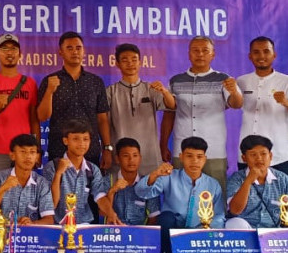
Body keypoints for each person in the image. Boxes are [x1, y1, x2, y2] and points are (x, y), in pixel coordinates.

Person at [135, 137, 225, 253]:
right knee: (165, 218)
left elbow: (219, 215)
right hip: (172, 230)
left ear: (205, 159)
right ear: (181, 157)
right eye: (189, 156)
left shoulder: (213, 184)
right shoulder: (169, 177)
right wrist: (155, 174)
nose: (194, 161)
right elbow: (142, 192)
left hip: (198, 235)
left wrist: (207, 229)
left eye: (199, 157)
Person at [160, 36, 242, 193]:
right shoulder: (176, 80)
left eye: (205, 50)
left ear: (213, 54)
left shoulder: (223, 79)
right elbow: (169, 114)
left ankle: (216, 219)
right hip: (182, 148)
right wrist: (163, 144)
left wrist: (234, 91)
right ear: (189, 53)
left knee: (216, 195)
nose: (200, 54)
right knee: (181, 194)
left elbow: (236, 104)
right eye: (195, 50)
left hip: (213, 149)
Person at [38, 31, 112, 170]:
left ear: (84, 51)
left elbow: (102, 118)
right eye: (69, 48)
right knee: (59, 191)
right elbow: (42, 116)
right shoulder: (50, 81)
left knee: (91, 191)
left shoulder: (95, 82)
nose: (75, 52)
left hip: (90, 151)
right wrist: (49, 91)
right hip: (60, 150)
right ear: (61, 52)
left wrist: (107, 148)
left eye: (78, 48)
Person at [106, 43, 175, 176]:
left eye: (134, 59)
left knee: (150, 194)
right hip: (121, 158)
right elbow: (104, 123)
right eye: (125, 60)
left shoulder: (151, 89)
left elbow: (171, 106)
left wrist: (165, 92)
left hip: (150, 157)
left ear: (140, 62)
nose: (130, 63)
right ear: (118, 64)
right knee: (121, 194)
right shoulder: (110, 92)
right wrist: (107, 150)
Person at [0, 34, 39, 181]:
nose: (9, 53)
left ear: (20, 54)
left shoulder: (29, 83)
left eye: (13, 49)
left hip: (24, 151)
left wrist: (37, 151)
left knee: (23, 200)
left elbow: (34, 121)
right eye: (4, 48)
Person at [43, 119, 121, 225]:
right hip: (58, 226)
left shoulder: (93, 169)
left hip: (84, 225)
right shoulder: (52, 167)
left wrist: (111, 214)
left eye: (86, 139)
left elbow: (100, 197)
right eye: (76, 139)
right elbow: (52, 204)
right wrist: (58, 174)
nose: (81, 144)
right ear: (65, 141)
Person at [236, 36, 288, 174]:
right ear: (250, 56)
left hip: (278, 154)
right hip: (248, 153)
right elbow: (231, 104)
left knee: (281, 196)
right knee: (248, 193)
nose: (261, 56)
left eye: (266, 51)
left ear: (274, 55)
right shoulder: (241, 81)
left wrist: (285, 102)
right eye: (256, 52)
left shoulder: (285, 81)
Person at [0, 134, 54, 225]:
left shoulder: (42, 183)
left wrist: (32, 224)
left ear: (37, 157)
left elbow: (49, 219)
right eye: (23, 152)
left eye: (32, 152)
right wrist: (2, 189)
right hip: (1, 234)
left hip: (30, 235)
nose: (28, 156)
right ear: (12, 155)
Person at [226, 135, 288, 228]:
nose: (259, 158)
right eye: (253, 154)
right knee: (234, 224)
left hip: (275, 229)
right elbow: (235, 210)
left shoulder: (283, 179)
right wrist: (248, 181)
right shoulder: (236, 179)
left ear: (270, 156)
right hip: (247, 227)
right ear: (244, 158)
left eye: (263, 154)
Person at [105, 138, 160, 225]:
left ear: (140, 158)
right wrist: (112, 191)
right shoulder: (108, 180)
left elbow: (153, 217)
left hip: (139, 233)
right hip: (114, 233)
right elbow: (102, 213)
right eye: (126, 156)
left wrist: (143, 236)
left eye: (135, 155)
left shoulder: (148, 183)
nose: (131, 160)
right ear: (117, 158)